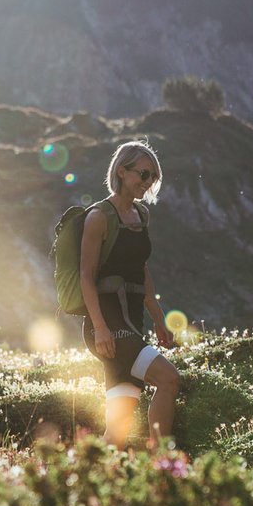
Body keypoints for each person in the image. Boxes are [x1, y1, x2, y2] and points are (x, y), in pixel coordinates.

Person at [79, 140, 182, 450]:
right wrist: (99, 328)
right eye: (143, 174)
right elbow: (86, 275)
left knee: (118, 432)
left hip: (132, 323)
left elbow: (142, 273)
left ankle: (81, 486)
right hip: (109, 324)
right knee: (168, 379)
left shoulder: (140, 216)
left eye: (153, 177)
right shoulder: (99, 217)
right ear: (122, 172)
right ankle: (162, 465)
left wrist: (159, 322)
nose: (148, 183)